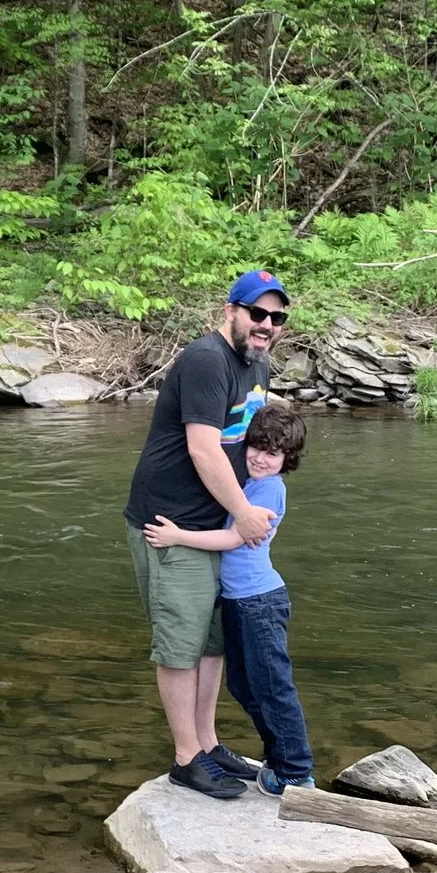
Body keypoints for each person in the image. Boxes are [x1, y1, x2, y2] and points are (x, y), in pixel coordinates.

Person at [121, 269, 288, 799]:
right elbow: (203, 447)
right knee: (180, 645)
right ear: (230, 311)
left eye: (277, 317)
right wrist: (243, 513)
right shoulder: (206, 360)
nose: (266, 325)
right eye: (257, 313)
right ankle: (185, 758)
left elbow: (254, 438)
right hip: (172, 523)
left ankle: (209, 743)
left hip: (214, 521)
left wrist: (263, 499)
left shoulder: (256, 361)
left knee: (213, 645)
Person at [142, 402, 314, 795]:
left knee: (271, 686)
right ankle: (278, 756)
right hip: (241, 601)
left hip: (260, 600)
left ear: (287, 458)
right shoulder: (249, 482)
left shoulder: (270, 489)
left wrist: (179, 537)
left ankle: (295, 770)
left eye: (272, 453)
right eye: (255, 447)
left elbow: (235, 538)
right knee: (245, 686)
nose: (260, 458)